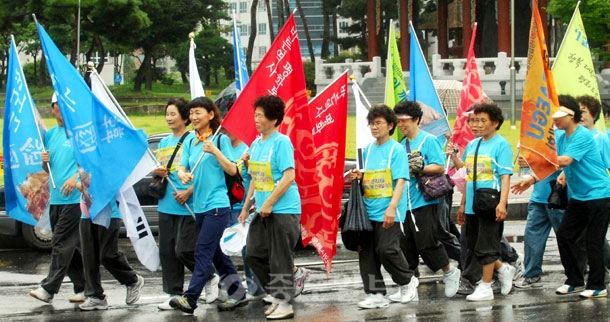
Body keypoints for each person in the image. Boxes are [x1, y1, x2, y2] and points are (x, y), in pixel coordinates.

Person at [171, 97, 247, 313]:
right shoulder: (189, 141)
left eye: (198, 113)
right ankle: (239, 293)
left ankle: (190, 298)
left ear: (211, 115)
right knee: (217, 255)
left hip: (217, 205)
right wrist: (183, 175)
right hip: (200, 207)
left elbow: (233, 170)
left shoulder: (220, 140)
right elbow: (182, 167)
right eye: (191, 113)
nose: (194, 117)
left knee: (202, 251)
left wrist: (214, 151)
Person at [237, 95, 301, 320]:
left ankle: (285, 303)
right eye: (255, 115)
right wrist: (246, 207)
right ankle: (277, 292)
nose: (256, 119)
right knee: (254, 253)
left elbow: (289, 176)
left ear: (274, 120)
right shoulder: (255, 143)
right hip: (262, 210)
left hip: (283, 210)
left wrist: (271, 202)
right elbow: (255, 177)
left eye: (260, 116)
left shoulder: (281, 142)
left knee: (280, 258)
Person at [347, 104, 416, 309]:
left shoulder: (396, 150)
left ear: (390, 125)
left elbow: (401, 181)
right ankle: (375, 293)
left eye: (378, 123)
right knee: (367, 253)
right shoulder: (366, 151)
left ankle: (407, 281)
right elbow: (366, 175)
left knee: (387, 249)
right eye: (371, 124)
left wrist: (392, 209)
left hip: (389, 210)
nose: (374, 127)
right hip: (367, 211)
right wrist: (358, 176)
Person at [394, 101, 460, 298]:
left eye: (404, 120)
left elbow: (440, 166)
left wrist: (418, 168)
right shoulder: (400, 145)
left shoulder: (428, 140)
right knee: (406, 246)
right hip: (404, 204)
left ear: (416, 120)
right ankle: (408, 286)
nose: (400, 125)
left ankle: (449, 271)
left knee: (426, 242)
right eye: (397, 121)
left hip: (424, 201)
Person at [28, 94, 86, 304]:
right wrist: (45, 162)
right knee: (68, 245)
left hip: (75, 199)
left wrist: (74, 179)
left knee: (61, 242)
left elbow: (89, 164)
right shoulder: (51, 134)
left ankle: (48, 288)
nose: (61, 109)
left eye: (64, 106)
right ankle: (85, 286)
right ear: (52, 109)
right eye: (57, 106)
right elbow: (49, 169)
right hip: (56, 198)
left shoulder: (79, 135)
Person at [456, 102, 516, 301]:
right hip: (473, 204)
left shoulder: (501, 145)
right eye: (473, 120)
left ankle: (486, 286)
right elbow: (468, 176)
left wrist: (503, 203)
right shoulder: (473, 145)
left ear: (495, 123)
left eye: (482, 121)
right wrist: (463, 204)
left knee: (487, 245)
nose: (476, 125)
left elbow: (505, 176)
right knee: (474, 244)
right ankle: (503, 268)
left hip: (490, 202)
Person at [552, 95, 610, 298]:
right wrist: (531, 178)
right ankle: (575, 280)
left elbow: (566, 160)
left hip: (599, 195)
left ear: (572, 115)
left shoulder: (583, 135)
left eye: (559, 115)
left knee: (593, 240)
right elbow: (557, 161)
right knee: (564, 235)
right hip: (578, 196)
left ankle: (597, 285)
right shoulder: (560, 136)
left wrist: (538, 160)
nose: (555, 120)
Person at [152, 98, 201, 310]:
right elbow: (159, 168)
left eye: (173, 114)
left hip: (187, 205)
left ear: (184, 117)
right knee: (168, 252)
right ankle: (173, 292)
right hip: (166, 204)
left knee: (185, 250)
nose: (169, 118)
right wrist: (157, 171)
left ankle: (208, 277)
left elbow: (201, 172)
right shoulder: (163, 142)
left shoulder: (192, 140)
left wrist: (188, 191)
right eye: (167, 114)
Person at [76, 200, 144, 310]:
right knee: (89, 257)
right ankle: (96, 296)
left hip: (109, 212)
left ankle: (132, 280)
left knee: (107, 255)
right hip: (87, 214)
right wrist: (77, 182)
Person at [511, 157, 564, 289]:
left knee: (567, 238)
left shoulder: (562, 137)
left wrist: (535, 173)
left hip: (559, 195)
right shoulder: (534, 138)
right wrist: (530, 163)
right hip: (538, 197)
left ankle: (578, 275)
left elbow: (564, 164)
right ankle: (531, 275)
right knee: (532, 236)